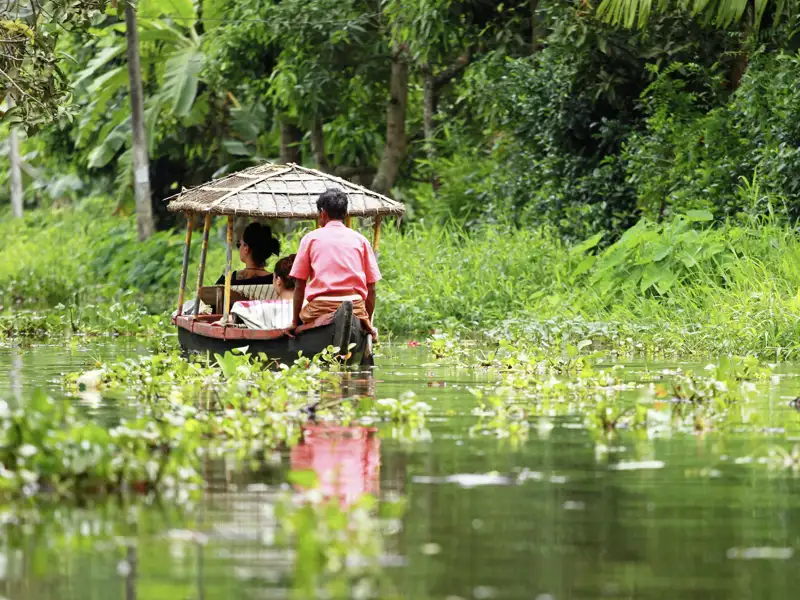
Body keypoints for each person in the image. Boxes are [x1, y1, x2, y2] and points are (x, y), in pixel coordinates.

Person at [288, 189, 380, 337]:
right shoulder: (360, 240)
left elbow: (299, 286)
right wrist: (366, 319)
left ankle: (303, 330)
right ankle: (365, 331)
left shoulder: (310, 239)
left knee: (299, 327)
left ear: (323, 213)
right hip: (355, 307)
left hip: (320, 308)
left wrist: (295, 322)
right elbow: (372, 288)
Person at [229, 254, 296, 330]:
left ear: (278, 280)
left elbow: (238, 312)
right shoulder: (308, 307)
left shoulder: (263, 308)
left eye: (273, 277)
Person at [215, 222, 280, 286]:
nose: (239, 248)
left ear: (246, 248)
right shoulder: (278, 282)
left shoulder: (227, 281)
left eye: (239, 244)